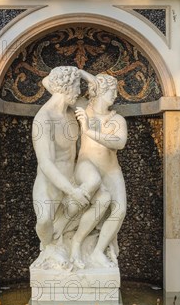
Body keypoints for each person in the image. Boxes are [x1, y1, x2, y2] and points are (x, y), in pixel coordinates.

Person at [32, 66, 94, 252]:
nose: (78, 93)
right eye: (76, 87)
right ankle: (48, 247)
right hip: (50, 184)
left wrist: (79, 73)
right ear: (66, 88)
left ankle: (62, 242)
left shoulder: (70, 111)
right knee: (43, 221)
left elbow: (98, 89)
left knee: (98, 192)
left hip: (72, 178)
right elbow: (45, 163)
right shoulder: (43, 119)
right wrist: (72, 191)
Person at [69, 73, 128, 268]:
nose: (116, 95)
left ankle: (97, 252)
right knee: (102, 197)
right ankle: (76, 242)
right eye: (112, 91)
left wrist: (88, 131)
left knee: (120, 210)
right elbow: (51, 83)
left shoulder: (117, 119)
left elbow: (119, 143)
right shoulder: (86, 109)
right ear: (100, 91)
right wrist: (86, 76)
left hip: (111, 170)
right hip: (87, 165)